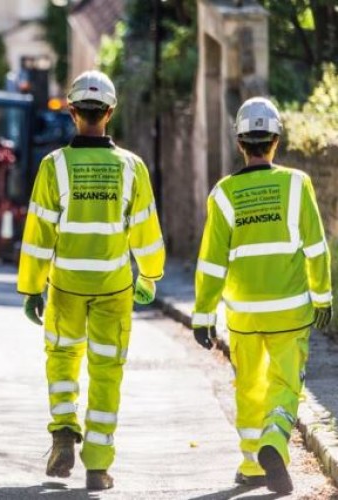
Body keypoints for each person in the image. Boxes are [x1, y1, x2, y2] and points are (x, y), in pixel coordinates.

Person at [17, 70, 165, 490]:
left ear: (72, 111)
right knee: (106, 371)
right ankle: (98, 466)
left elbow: (39, 232)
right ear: (110, 112)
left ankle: (64, 429)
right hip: (114, 288)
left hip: (65, 286)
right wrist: (150, 276)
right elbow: (145, 230)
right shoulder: (131, 168)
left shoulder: (54, 166)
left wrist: (31, 287)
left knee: (63, 360)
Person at [192, 97, 332, 494]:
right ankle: (274, 440)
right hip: (290, 312)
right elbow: (316, 247)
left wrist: (203, 315)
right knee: (285, 384)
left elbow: (211, 262)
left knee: (250, 386)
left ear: (240, 142)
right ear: (276, 140)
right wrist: (323, 297)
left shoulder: (222, 194)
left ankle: (252, 464)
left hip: (244, 315)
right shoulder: (296, 184)